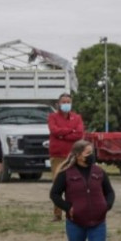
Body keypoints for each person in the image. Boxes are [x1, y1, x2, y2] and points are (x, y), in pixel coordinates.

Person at [50, 140, 115, 241]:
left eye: (91, 152)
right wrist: (68, 208)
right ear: (78, 156)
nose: (91, 155)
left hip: (98, 221)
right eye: (87, 153)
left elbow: (110, 192)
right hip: (75, 223)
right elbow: (54, 194)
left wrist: (106, 206)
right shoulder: (66, 173)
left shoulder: (99, 172)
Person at [48, 93, 85, 221]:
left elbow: (79, 134)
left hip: (73, 155)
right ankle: (57, 214)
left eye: (68, 102)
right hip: (57, 156)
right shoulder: (52, 117)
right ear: (58, 104)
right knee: (57, 185)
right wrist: (71, 130)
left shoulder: (77, 117)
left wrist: (63, 134)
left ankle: (73, 211)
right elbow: (54, 131)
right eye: (63, 102)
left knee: (74, 185)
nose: (66, 104)